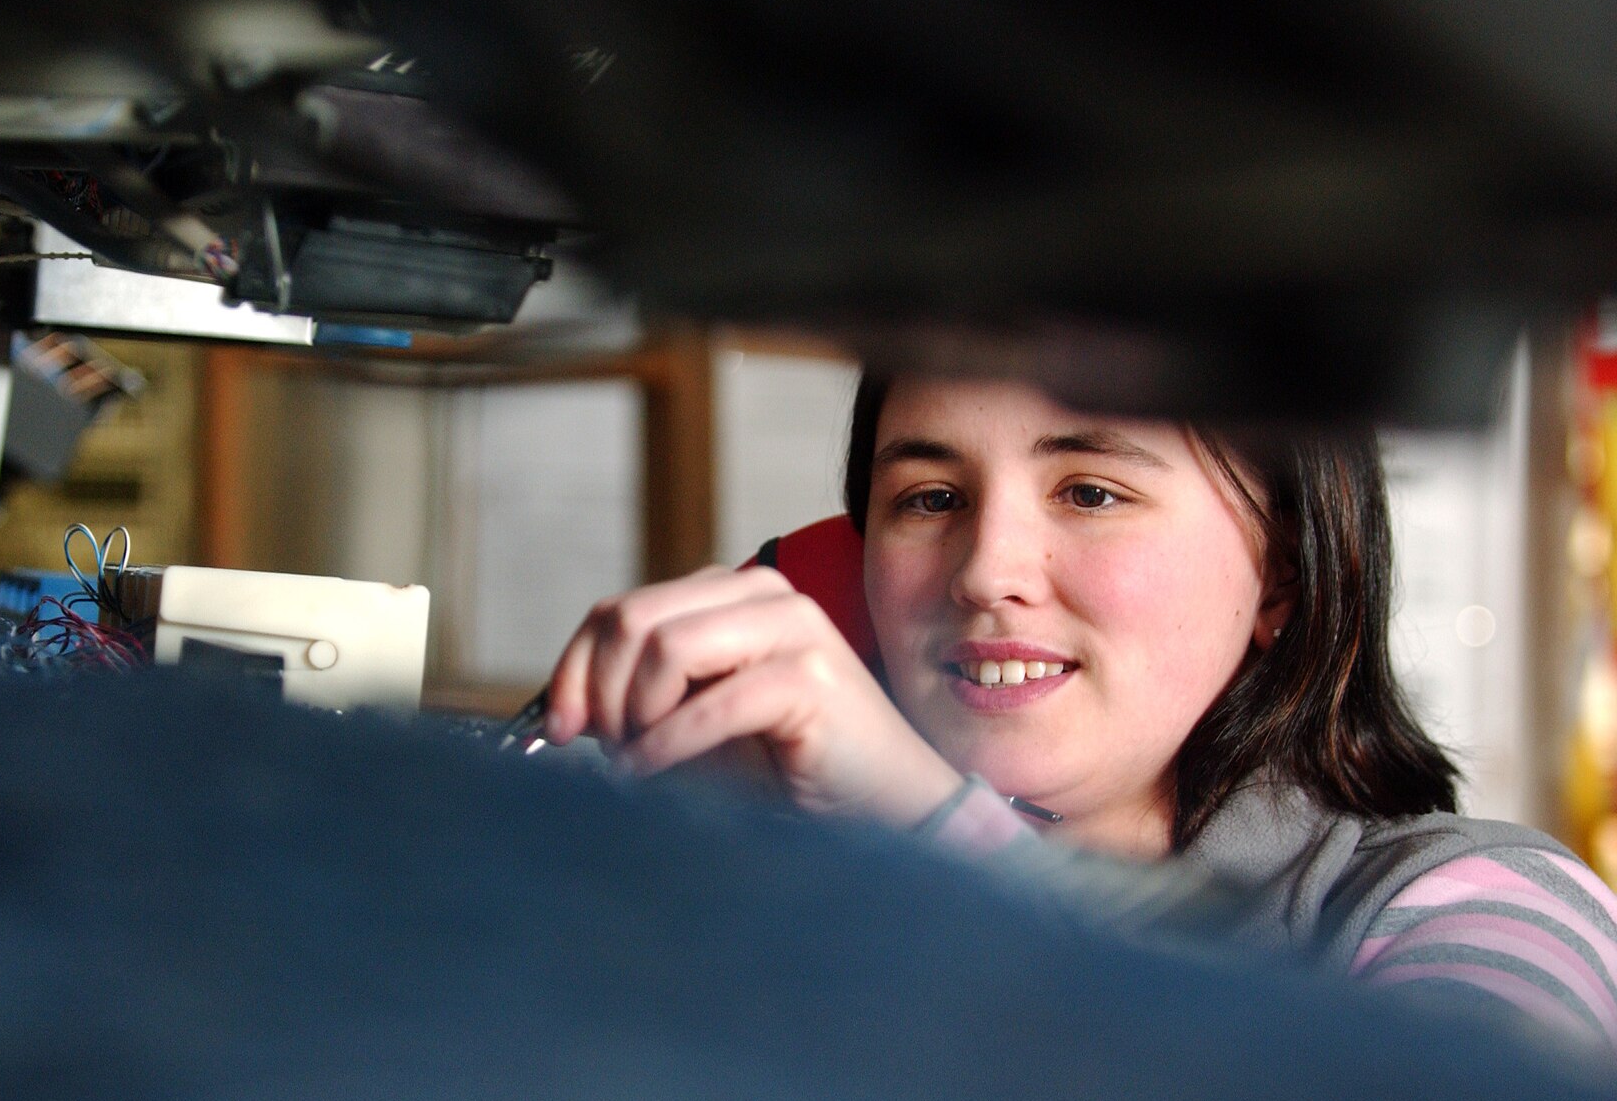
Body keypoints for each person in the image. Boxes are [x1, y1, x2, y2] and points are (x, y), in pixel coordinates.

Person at [542, 375, 1617, 1059]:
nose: (985, 572)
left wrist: (927, 822)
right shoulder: (770, 865)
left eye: (1089, 492)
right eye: (928, 499)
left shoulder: (1474, 900)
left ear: (1281, 573)